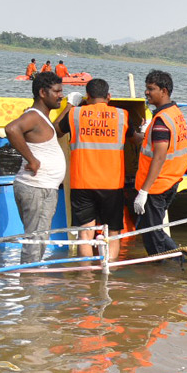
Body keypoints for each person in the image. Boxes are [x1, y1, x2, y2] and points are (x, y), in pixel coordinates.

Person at [56, 78, 130, 261]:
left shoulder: (75, 114)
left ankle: (85, 277)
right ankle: (109, 270)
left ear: (87, 97)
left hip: (82, 183)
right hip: (112, 184)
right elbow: (136, 138)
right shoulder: (122, 115)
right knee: (112, 233)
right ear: (109, 96)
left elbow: (55, 131)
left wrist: (69, 105)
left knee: (85, 234)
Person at [4, 72, 66, 265]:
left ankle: (30, 282)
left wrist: (70, 107)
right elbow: (11, 129)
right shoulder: (34, 116)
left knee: (37, 239)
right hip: (37, 188)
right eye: (56, 92)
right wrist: (31, 159)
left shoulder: (42, 117)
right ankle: (30, 285)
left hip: (41, 188)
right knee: (36, 241)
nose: (60, 95)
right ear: (42, 92)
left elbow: (57, 129)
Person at [131, 70, 187, 256]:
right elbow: (157, 142)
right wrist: (138, 136)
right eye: (146, 88)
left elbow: (159, 156)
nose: (146, 93)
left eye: (151, 89)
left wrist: (144, 191)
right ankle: (172, 263)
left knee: (153, 233)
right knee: (153, 229)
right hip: (171, 180)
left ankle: (165, 266)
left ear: (163, 91)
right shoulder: (174, 113)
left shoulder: (160, 121)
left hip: (157, 186)